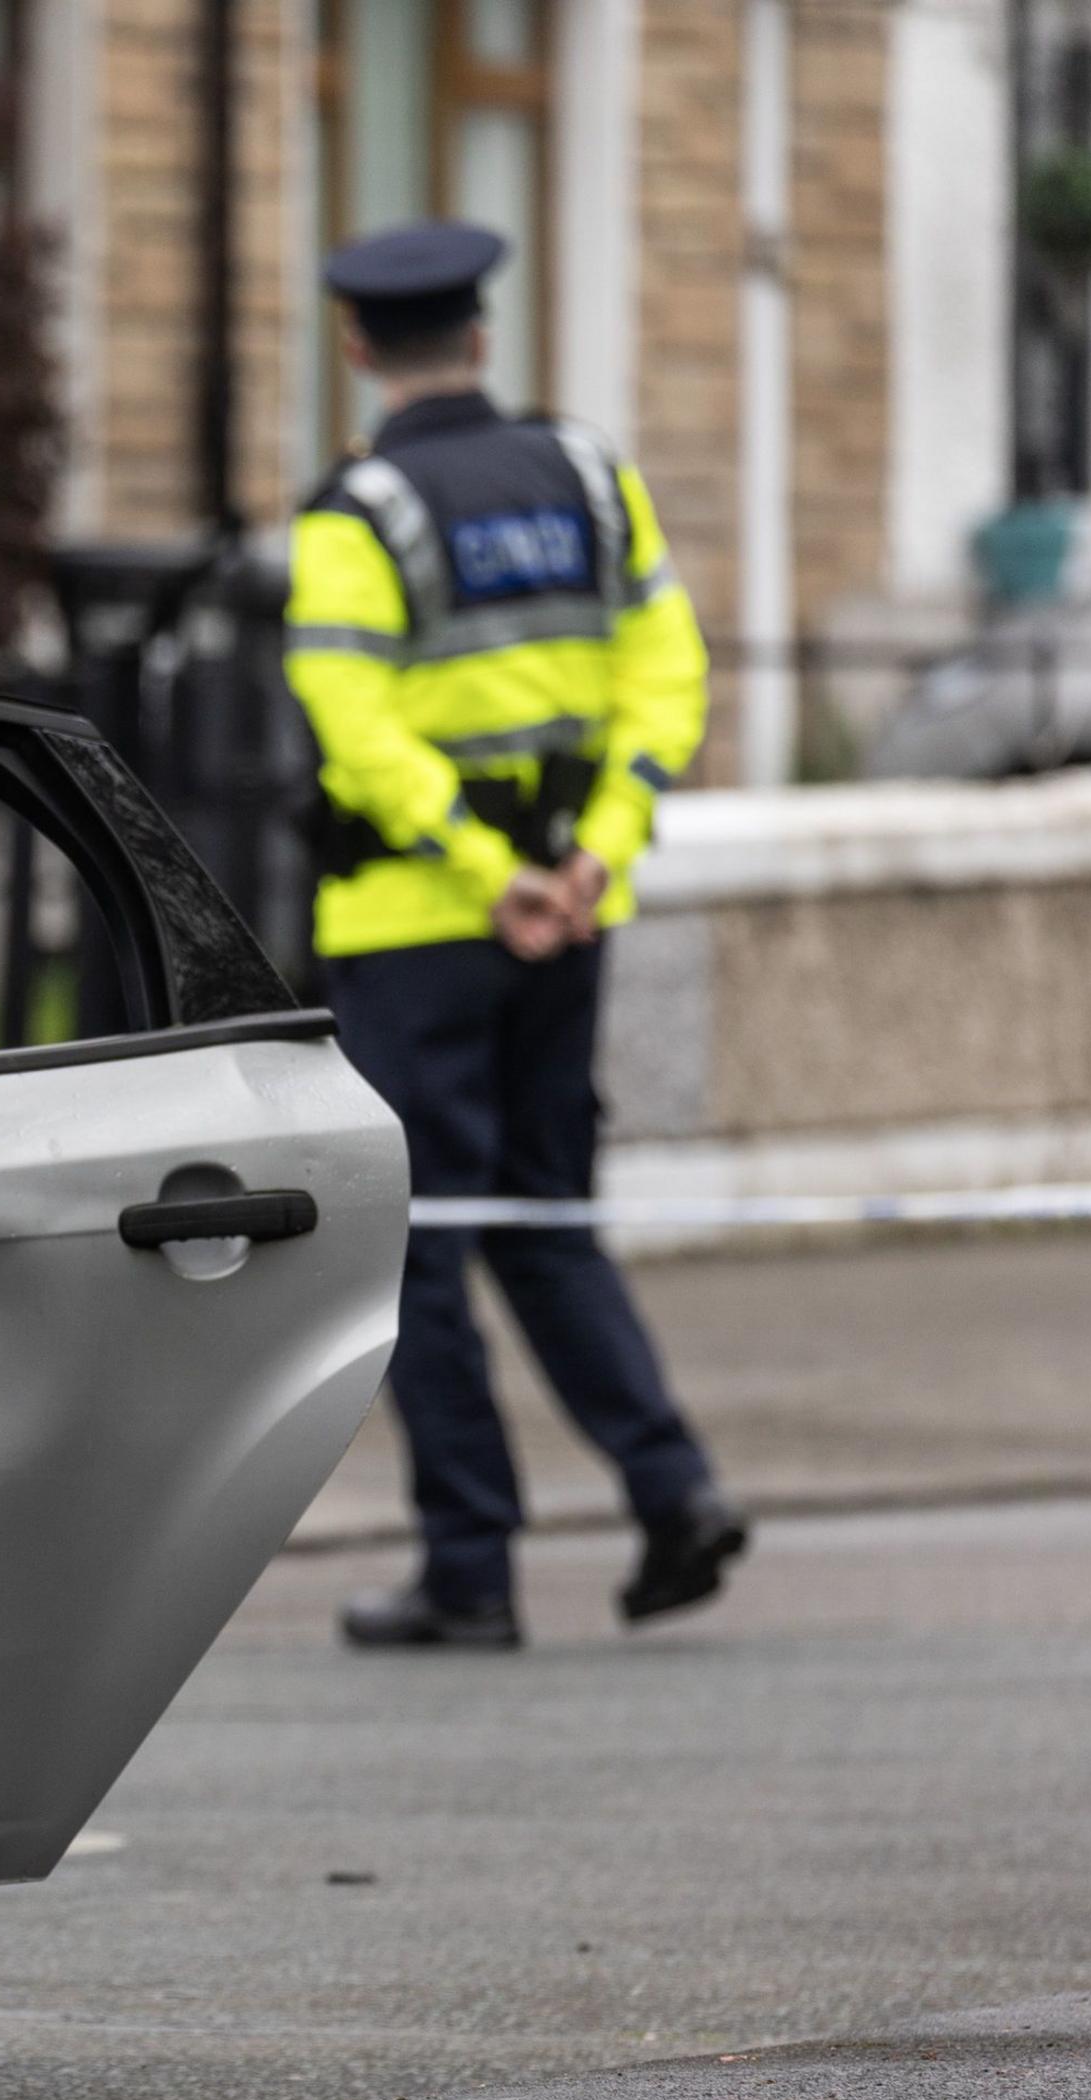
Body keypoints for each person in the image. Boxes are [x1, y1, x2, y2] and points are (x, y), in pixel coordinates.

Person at [286, 218, 747, 1649]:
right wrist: (591, 858)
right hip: (568, 921)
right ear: (482, 336)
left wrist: (482, 871)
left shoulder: (359, 517)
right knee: (548, 1216)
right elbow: (668, 676)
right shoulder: (594, 479)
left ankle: (470, 1569)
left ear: (358, 348)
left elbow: (354, 728)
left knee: (422, 1247)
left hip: (422, 931)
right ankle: (673, 1493)